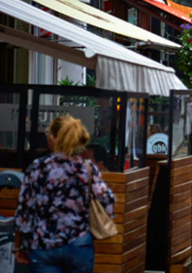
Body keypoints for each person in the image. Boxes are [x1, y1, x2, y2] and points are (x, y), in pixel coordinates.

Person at [14, 116, 116, 272]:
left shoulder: (38, 167)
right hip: (78, 243)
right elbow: (107, 200)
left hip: (43, 244)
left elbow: (24, 210)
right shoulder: (86, 168)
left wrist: (18, 245)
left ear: (53, 138)